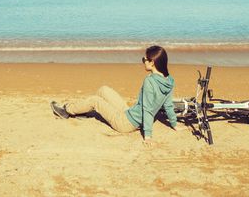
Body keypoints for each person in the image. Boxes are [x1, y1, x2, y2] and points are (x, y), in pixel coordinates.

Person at [50, 45, 180, 146]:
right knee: (104, 90)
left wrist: (148, 136)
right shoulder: (169, 81)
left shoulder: (150, 81)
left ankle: (66, 110)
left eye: (144, 59)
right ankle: (82, 110)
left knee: (95, 101)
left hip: (125, 123)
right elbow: (168, 105)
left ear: (152, 63)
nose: (143, 61)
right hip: (129, 113)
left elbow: (147, 110)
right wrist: (174, 124)